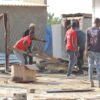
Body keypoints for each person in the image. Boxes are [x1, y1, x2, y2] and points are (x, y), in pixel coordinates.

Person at [86, 18, 100, 87]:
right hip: (98, 51)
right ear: (98, 23)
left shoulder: (88, 30)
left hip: (90, 51)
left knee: (90, 66)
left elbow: (87, 41)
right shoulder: (99, 30)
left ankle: (91, 81)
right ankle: (99, 82)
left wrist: (86, 51)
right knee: (98, 66)